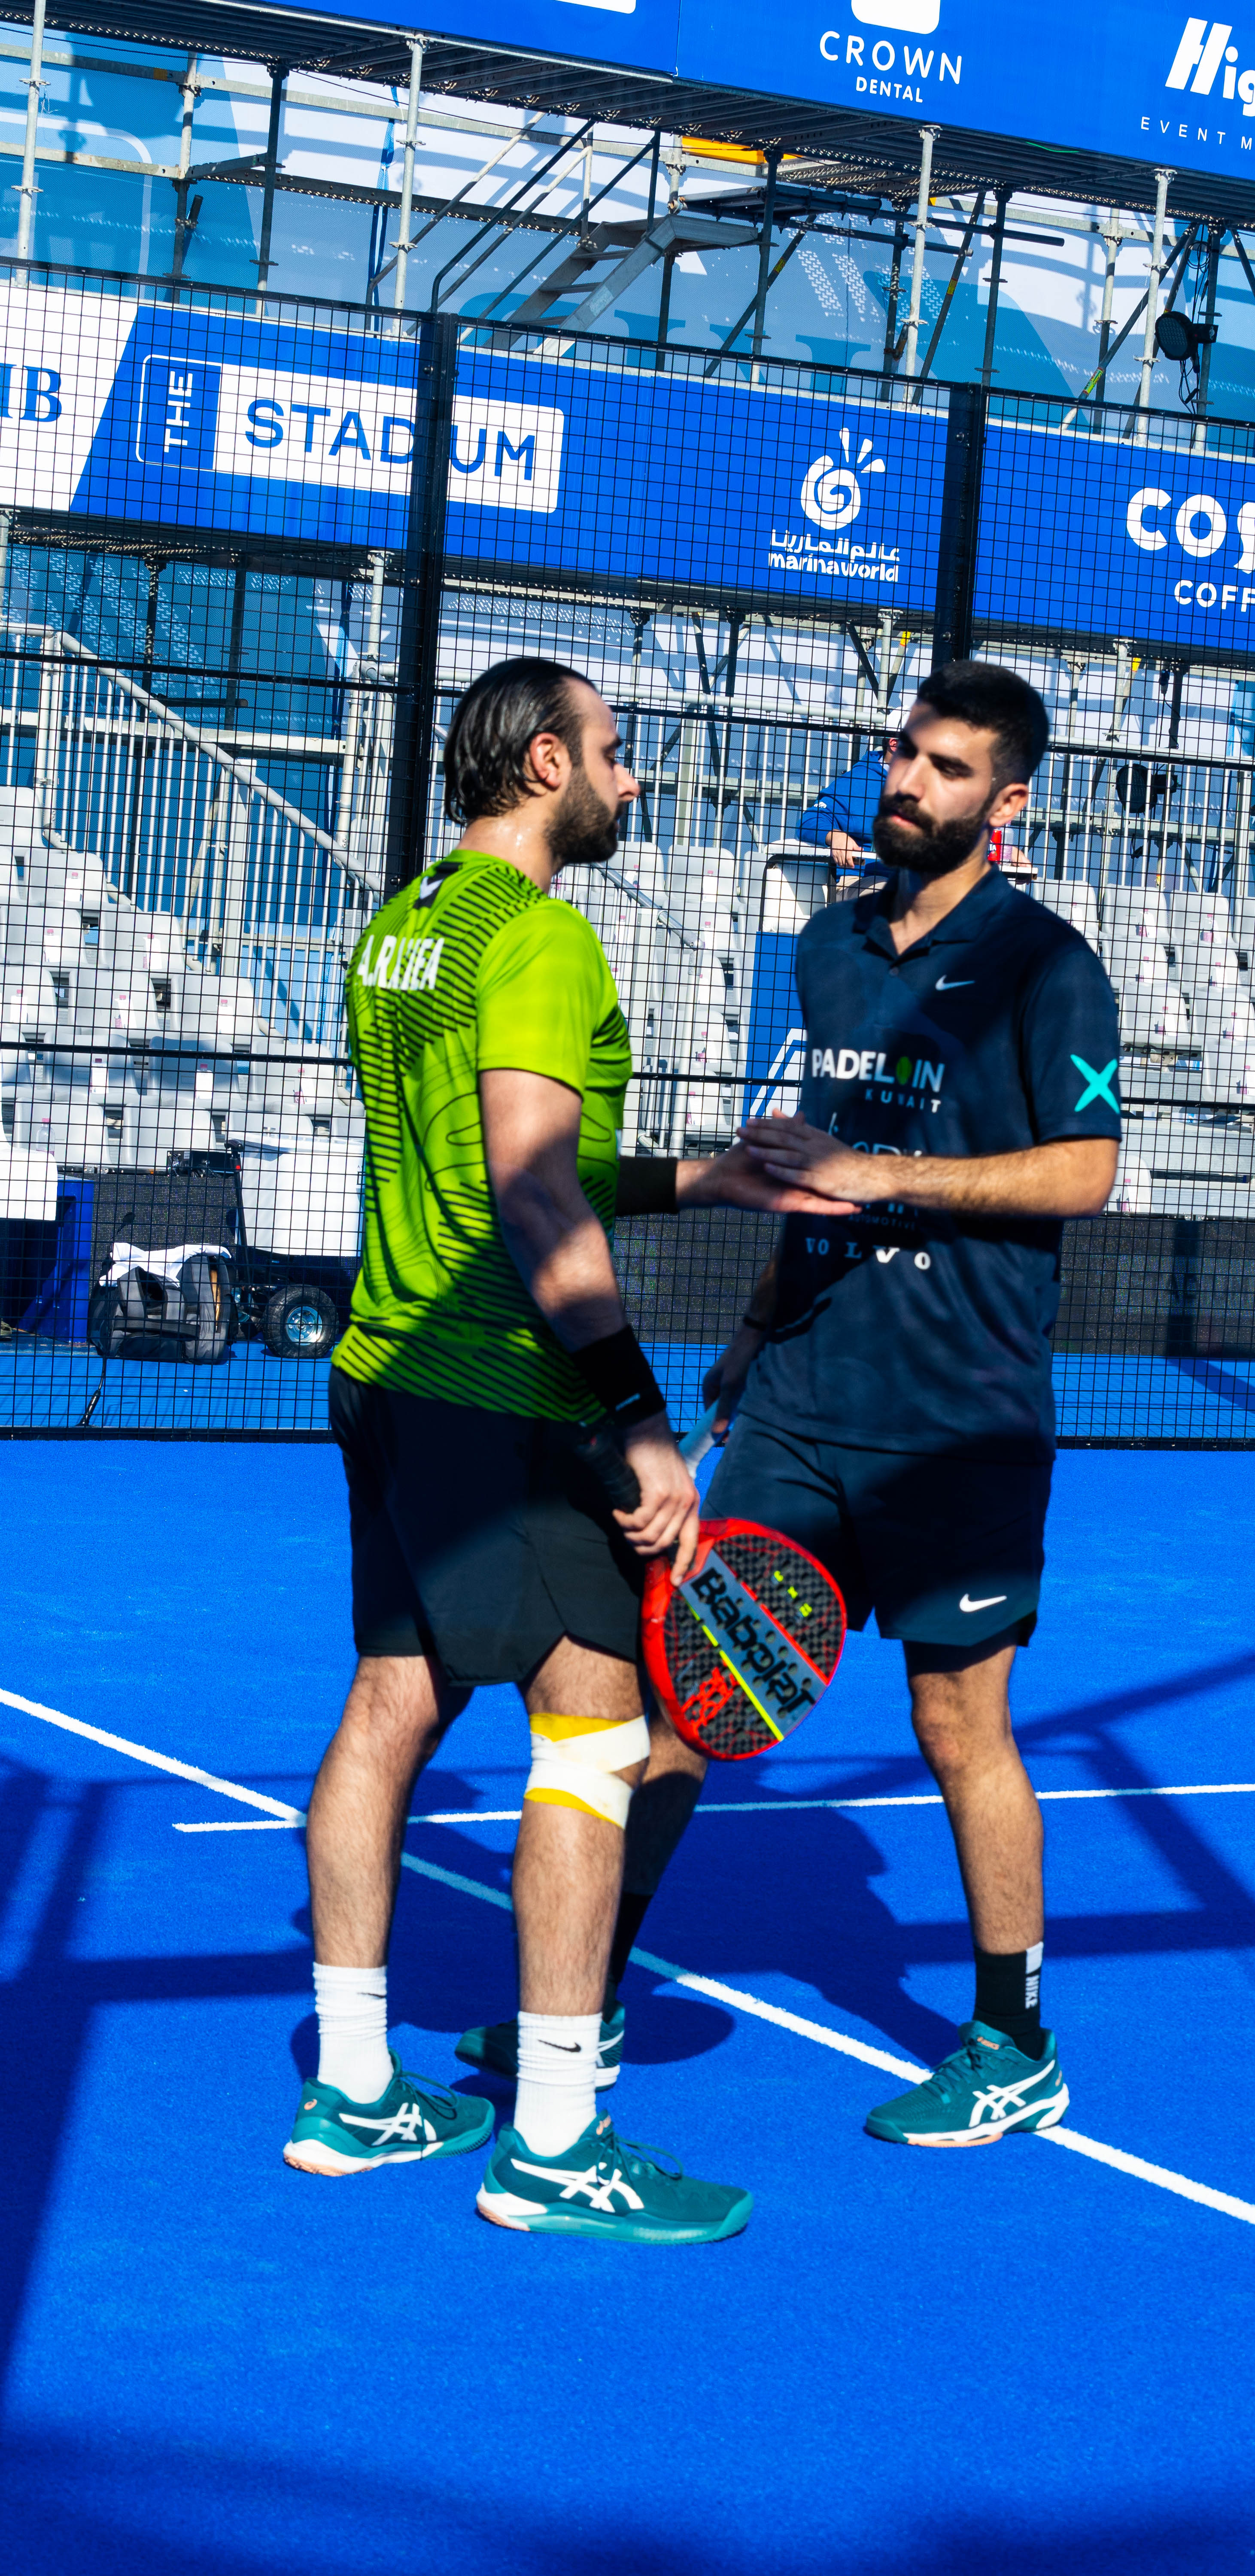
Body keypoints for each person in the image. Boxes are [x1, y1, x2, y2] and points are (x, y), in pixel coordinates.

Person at [510, 657, 1122, 2147]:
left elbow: (1088, 1172)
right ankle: (575, 2004)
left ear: (1007, 802)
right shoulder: (824, 949)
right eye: (904, 754)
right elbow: (809, 1185)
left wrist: (888, 1178)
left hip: (957, 1419)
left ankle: (1010, 2038)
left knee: (955, 1723)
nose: (909, 782)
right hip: (793, 1398)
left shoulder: (1047, 964)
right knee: (680, 1705)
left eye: (949, 769)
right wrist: (743, 1341)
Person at [283, 655, 847, 2241]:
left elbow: (509, 1155)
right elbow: (531, 1197)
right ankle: (551, 2140)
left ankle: (354, 2086)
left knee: (387, 1705)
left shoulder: (405, 926)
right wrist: (638, 1418)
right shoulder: (539, 936)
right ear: (543, 764)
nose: (632, 778)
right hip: (509, 1395)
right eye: (614, 751)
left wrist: (701, 1181)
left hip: (385, 1370)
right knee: (594, 1738)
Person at [796, 737, 896, 876]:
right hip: (864, 880)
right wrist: (836, 836)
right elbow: (809, 821)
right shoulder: (859, 780)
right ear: (894, 744)